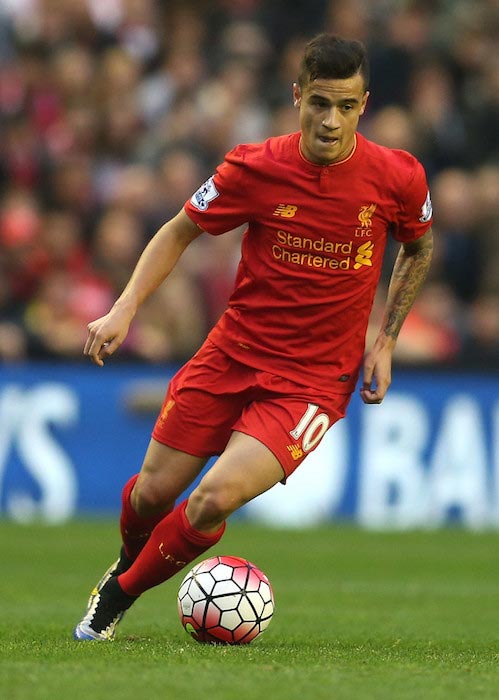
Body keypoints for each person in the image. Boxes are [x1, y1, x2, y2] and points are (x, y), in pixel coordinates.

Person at [74, 34, 433, 641]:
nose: (330, 120)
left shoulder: (397, 176)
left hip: (312, 384)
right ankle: (132, 559)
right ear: (296, 96)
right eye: (319, 102)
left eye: (345, 106)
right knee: (150, 497)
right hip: (232, 353)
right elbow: (178, 231)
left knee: (211, 499)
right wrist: (124, 307)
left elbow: (418, 245)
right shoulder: (254, 166)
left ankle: (113, 599)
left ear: (364, 104)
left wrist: (387, 338)